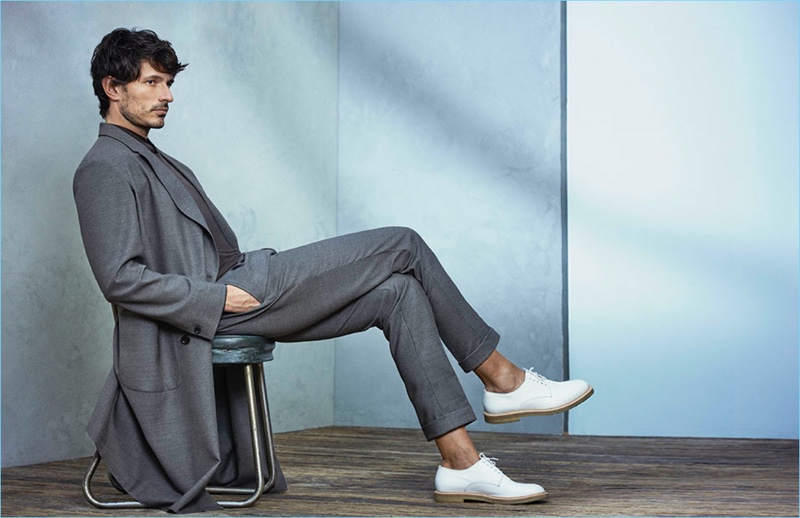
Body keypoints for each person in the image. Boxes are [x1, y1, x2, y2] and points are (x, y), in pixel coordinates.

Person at [74, 27, 594, 513]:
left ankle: (462, 464)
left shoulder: (151, 157)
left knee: (399, 292)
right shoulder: (104, 167)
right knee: (403, 244)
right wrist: (216, 299)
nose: (167, 94)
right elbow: (119, 278)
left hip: (237, 282)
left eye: (168, 83)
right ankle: (503, 378)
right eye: (152, 82)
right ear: (113, 88)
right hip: (216, 302)